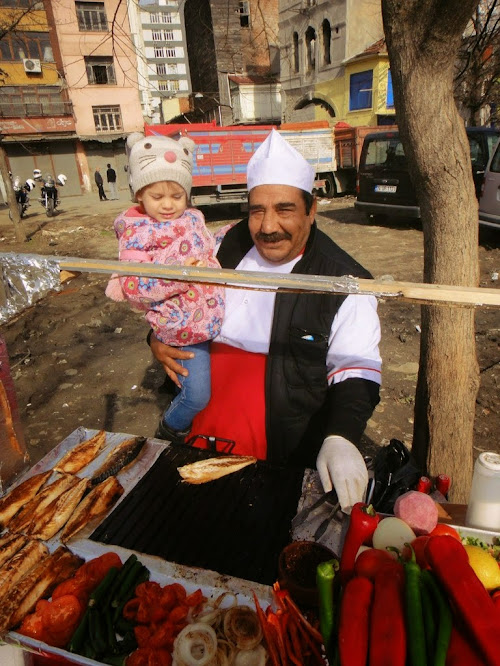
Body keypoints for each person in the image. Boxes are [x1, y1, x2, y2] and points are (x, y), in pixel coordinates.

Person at [149, 129, 382, 513]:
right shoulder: (226, 246)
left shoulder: (343, 281)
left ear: (312, 209)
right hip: (198, 439)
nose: (268, 226)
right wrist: (155, 340)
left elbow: (356, 370)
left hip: (279, 458)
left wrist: (341, 436)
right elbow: (177, 300)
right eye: (257, 210)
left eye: (285, 209)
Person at [105, 133, 225, 442]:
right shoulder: (136, 233)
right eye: (158, 197)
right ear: (139, 196)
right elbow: (135, 286)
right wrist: (183, 275)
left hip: (212, 320)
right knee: (198, 396)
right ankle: (170, 429)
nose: (169, 205)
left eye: (177, 195)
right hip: (184, 329)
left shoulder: (193, 218)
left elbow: (206, 247)